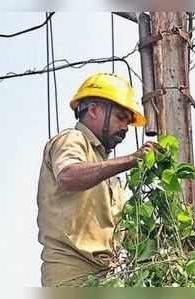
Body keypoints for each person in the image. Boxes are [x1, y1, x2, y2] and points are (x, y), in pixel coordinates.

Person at [36, 73, 155, 287]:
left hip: (105, 279)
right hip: (70, 277)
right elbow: (68, 175)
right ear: (93, 111)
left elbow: (125, 235)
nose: (125, 128)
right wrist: (132, 160)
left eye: (128, 122)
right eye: (120, 117)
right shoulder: (72, 140)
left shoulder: (110, 176)